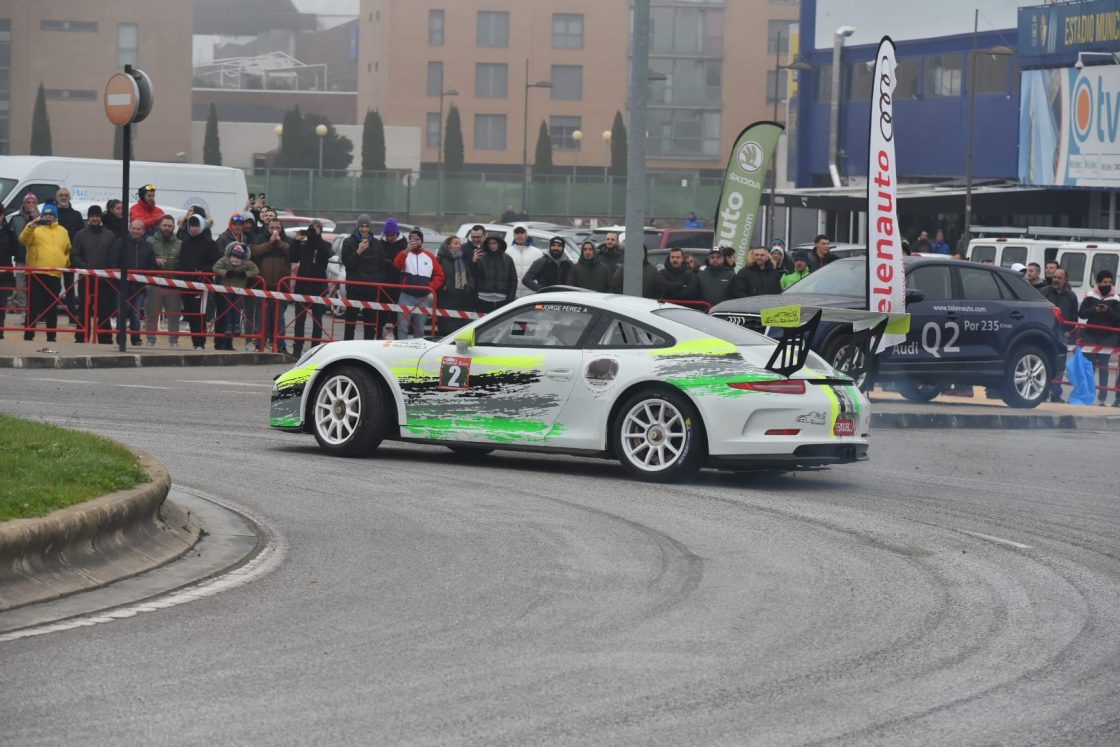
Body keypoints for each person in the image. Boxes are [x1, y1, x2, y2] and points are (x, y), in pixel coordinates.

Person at [18, 203, 71, 342]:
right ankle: (28, 335)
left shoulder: (63, 231)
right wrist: (31, 226)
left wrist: (64, 261)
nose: (48, 216)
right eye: (46, 214)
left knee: (52, 306)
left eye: (51, 214)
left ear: (56, 216)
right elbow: (23, 241)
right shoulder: (35, 228)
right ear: (42, 215)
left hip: (54, 274)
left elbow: (68, 249)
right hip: (36, 273)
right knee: (33, 306)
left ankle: (51, 336)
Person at [70, 205, 118, 344]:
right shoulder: (80, 234)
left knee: (105, 309)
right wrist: (86, 268)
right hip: (86, 278)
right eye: (92, 216)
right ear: (88, 217)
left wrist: (108, 271)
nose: (95, 218)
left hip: (104, 279)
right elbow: (75, 255)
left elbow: (113, 256)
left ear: (100, 217)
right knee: (83, 310)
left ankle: (105, 338)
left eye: (97, 216)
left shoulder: (109, 235)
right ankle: (80, 337)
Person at [341, 214, 393, 340]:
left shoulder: (377, 244)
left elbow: (382, 265)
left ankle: (366, 350)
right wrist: (358, 252)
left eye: (366, 226)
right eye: (362, 226)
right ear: (357, 227)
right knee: (350, 323)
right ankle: (347, 348)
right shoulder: (348, 242)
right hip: (354, 289)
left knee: (370, 325)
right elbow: (347, 263)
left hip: (371, 290)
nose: (364, 229)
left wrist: (377, 280)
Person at [178, 214, 221, 350]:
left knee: (200, 314)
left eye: (196, 225)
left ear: (201, 226)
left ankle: (200, 342)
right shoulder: (185, 242)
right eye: (192, 225)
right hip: (186, 284)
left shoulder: (210, 243)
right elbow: (181, 261)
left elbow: (215, 262)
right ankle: (194, 341)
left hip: (202, 285)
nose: (194, 228)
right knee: (190, 314)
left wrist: (202, 271)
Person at [111, 219, 157, 346]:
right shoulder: (120, 243)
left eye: (139, 229)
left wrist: (148, 282)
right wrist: (117, 279)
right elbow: (113, 261)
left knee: (136, 314)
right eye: (133, 228)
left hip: (139, 287)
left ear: (143, 231)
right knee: (121, 313)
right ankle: (121, 339)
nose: (136, 231)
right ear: (129, 228)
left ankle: (136, 339)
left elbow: (151, 266)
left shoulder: (148, 247)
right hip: (122, 286)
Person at [1078, 269, 1120, 406]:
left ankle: (1102, 399)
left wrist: (1108, 310)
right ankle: (1087, 395)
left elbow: (1118, 320)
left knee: (1104, 368)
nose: (1107, 284)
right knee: (1089, 367)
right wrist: (1094, 309)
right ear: (1098, 283)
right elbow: (1082, 314)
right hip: (1090, 335)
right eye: (1104, 282)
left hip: (1107, 337)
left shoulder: (1116, 298)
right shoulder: (1090, 295)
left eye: (1109, 282)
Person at [249, 216, 292, 353]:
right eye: (272, 228)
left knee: (279, 318)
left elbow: (292, 252)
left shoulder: (286, 240)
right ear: (267, 228)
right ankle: (259, 345)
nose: (275, 231)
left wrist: (278, 242)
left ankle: (280, 345)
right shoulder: (260, 238)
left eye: (277, 228)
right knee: (261, 317)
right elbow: (254, 251)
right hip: (263, 286)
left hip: (281, 287)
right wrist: (270, 243)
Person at [392, 229, 445, 339]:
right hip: (406, 296)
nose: (414, 241)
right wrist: (406, 251)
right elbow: (397, 264)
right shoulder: (404, 254)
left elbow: (440, 275)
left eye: (417, 239)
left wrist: (430, 287)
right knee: (402, 327)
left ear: (422, 241)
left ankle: (417, 353)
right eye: (412, 239)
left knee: (420, 329)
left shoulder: (429, 256)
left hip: (423, 298)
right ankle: (400, 351)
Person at [291, 221, 332, 357]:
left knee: (317, 320)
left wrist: (316, 237)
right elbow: (293, 257)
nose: (314, 231)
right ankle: (297, 348)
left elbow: (327, 254)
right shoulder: (304, 245)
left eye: (317, 228)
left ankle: (315, 350)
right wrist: (297, 240)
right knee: (299, 319)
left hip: (318, 287)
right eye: (312, 228)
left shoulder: (325, 245)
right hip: (302, 286)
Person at [212, 243, 260, 351]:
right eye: (234, 256)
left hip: (239, 290)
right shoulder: (224, 260)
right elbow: (215, 268)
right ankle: (229, 326)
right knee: (227, 309)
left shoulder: (247, 263)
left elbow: (255, 271)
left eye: (239, 257)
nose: (235, 260)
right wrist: (226, 273)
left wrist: (245, 274)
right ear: (230, 254)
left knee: (237, 309)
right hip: (226, 289)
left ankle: (237, 326)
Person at [144, 214, 183, 347]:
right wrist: (154, 261)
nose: (167, 228)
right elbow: (145, 260)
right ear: (160, 226)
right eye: (165, 225)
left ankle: (174, 342)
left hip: (173, 285)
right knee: (151, 315)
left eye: (170, 226)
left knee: (174, 315)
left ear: (173, 227)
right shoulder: (149, 241)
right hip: (154, 284)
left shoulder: (179, 243)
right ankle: (150, 340)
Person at [1042, 268, 1078, 403]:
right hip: (1045, 333)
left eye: (1059, 278)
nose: (1056, 280)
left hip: (1062, 335)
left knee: (1059, 366)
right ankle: (1043, 393)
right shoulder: (1044, 292)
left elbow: (1074, 316)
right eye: (1054, 277)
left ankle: (1056, 394)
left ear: (1065, 280)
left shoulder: (1071, 296)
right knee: (1044, 363)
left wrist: (1070, 331)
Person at [434, 236, 476, 335]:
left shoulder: (462, 258)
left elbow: (469, 274)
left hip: (462, 298)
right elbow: (436, 275)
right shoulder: (441, 259)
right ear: (449, 246)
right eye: (455, 243)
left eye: (459, 243)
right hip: (446, 299)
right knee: (447, 329)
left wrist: (469, 286)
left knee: (460, 330)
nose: (459, 246)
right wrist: (444, 287)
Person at [471, 235, 518, 312]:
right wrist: (474, 262)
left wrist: (510, 298)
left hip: (502, 300)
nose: (492, 245)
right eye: (490, 243)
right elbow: (475, 276)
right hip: (483, 299)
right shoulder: (482, 258)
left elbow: (513, 280)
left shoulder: (508, 259)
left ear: (499, 243)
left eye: (494, 243)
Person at [0, 211, 21, 339]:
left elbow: (16, 250)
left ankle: (0, 331)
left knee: (1, 305)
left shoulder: (9, 231)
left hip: (5, 274)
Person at [507, 226, 544, 298]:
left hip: (531, 296)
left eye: (522, 232)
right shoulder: (507, 252)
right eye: (517, 233)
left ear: (527, 234)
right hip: (512, 296)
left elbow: (541, 275)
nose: (519, 235)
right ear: (513, 235)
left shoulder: (537, 252)